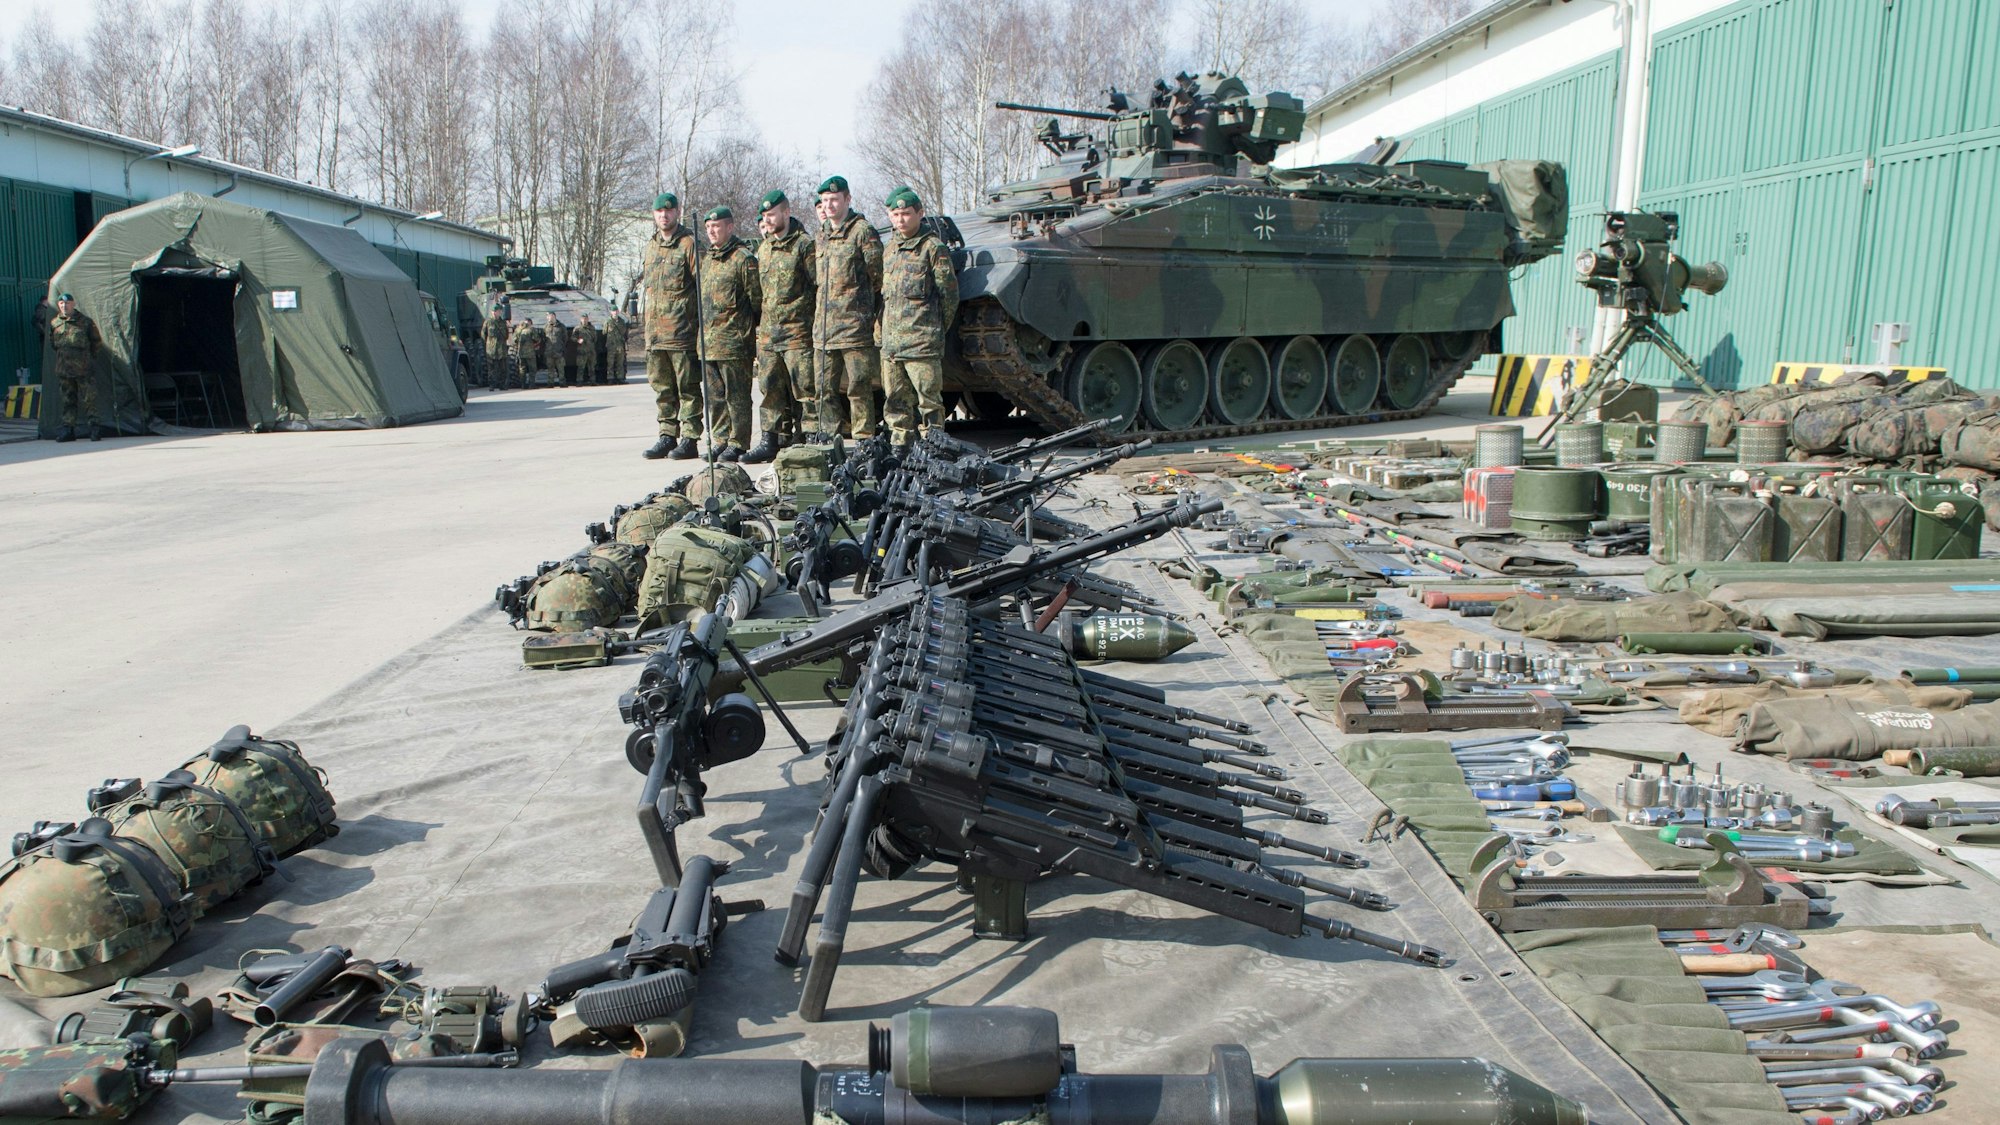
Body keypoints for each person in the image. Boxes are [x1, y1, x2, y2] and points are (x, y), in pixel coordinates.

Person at [879, 186, 958, 449]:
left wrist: (934, 330)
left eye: (906, 213)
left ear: (920, 214)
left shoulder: (932, 248)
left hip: (922, 342)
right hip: (892, 345)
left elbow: (949, 295)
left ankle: (935, 447)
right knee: (895, 401)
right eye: (895, 214)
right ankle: (901, 447)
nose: (900, 219)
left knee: (929, 402)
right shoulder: (889, 249)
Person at [811, 175, 883, 440]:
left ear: (847, 199)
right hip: (824, 331)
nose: (829, 205)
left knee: (858, 388)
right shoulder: (821, 236)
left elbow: (877, 277)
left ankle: (864, 439)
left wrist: (865, 313)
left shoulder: (862, 231)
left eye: (834, 199)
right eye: (825, 201)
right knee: (823, 389)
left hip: (854, 328)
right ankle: (829, 438)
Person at [744, 189, 814, 462]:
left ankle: (809, 439)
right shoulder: (765, 248)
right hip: (770, 335)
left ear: (786, 212)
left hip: (798, 332)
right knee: (769, 389)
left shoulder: (804, 245)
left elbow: (817, 285)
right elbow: (760, 293)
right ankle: (769, 440)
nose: (768, 219)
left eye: (772, 214)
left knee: (805, 391)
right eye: (764, 216)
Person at [639, 191, 702, 459]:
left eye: (668, 211)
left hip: (682, 333)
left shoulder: (689, 244)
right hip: (655, 335)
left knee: (687, 389)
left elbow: (702, 287)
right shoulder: (651, 247)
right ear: (654, 215)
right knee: (662, 389)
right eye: (659, 212)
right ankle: (667, 435)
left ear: (677, 213)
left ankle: (689, 438)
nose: (664, 216)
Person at [697, 205, 760, 462]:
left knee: (737, 397)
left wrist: (745, 331)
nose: (713, 231)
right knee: (715, 398)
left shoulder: (743, 259)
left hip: (734, 343)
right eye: (709, 228)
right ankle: (721, 440)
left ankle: (738, 442)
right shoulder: (707, 260)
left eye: (717, 226)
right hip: (709, 343)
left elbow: (756, 300)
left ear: (730, 227)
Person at [48, 292, 104, 443]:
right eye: (61, 304)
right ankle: (68, 430)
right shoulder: (55, 323)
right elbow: (54, 344)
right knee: (67, 400)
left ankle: (94, 429)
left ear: (73, 304)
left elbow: (96, 343)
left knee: (89, 399)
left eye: (67, 303)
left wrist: (85, 358)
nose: (64, 306)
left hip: (83, 369)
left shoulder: (85, 322)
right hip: (64, 370)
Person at [481, 303, 510, 389]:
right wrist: (488, 344)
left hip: (501, 349)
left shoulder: (503, 322)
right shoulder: (488, 322)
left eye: (496, 311)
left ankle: (502, 385)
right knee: (491, 368)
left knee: (502, 368)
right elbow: (483, 334)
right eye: (493, 311)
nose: (494, 313)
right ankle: (492, 385)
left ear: (500, 312)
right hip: (491, 349)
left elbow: (506, 335)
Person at [544, 313, 573, 387]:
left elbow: (565, 338)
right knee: (550, 368)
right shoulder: (546, 327)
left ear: (554, 317)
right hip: (549, 351)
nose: (550, 318)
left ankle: (562, 383)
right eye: (549, 317)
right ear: (547, 318)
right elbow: (544, 338)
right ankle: (550, 383)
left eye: (552, 316)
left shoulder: (561, 326)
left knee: (561, 368)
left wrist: (561, 346)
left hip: (559, 351)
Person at [509, 318, 537, 389]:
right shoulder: (531, 330)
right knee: (532, 369)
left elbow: (514, 341)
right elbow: (536, 339)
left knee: (522, 369)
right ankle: (531, 385)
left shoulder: (518, 330)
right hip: (530, 353)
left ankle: (523, 385)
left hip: (521, 353)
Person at [575, 315, 602, 385]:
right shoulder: (577, 328)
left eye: (586, 319)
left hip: (591, 351)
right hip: (582, 351)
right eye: (583, 319)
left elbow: (595, 338)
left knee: (592, 367)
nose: (584, 320)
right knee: (581, 367)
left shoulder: (592, 328)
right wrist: (577, 340)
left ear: (588, 319)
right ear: (581, 319)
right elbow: (573, 337)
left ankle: (593, 381)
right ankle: (579, 381)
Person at [604, 309, 629, 383]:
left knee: (620, 363)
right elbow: (604, 332)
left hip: (619, 345)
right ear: (611, 312)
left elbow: (624, 332)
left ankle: (620, 378)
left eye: (616, 311)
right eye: (613, 311)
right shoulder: (608, 322)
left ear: (618, 312)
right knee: (610, 363)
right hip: (611, 346)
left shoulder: (622, 322)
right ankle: (610, 378)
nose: (615, 312)